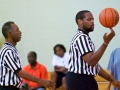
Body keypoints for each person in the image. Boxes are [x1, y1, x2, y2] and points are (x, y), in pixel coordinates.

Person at [66, 10, 120, 90]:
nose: (92, 22)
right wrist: (105, 43)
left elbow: (94, 65)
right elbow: (91, 61)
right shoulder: (81, 37)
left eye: (93, 19)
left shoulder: (83, 37)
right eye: (89, 19)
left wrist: (111, 79)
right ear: (80, 21)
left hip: (81, 79)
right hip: (80, 79)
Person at [0, 21, 55, 90]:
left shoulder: (12, 49)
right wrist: (41, 81)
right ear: (9, 33)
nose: (20, 32)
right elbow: (19, 72)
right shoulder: (7, 50)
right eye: (17, 30)